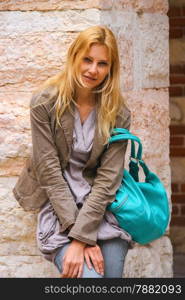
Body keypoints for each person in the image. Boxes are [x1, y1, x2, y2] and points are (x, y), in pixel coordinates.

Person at [13, 25, 132, 278]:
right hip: (60, 211)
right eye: (87, 60)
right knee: (90, 280)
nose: (93, 70)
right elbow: (49, 172)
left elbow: (108, 179)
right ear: (74, 57)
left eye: (102, 63)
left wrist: (82, 238)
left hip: (101, 210)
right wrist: (79, 238)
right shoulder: (44, 103)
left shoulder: (118, 113)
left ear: (111, 68)